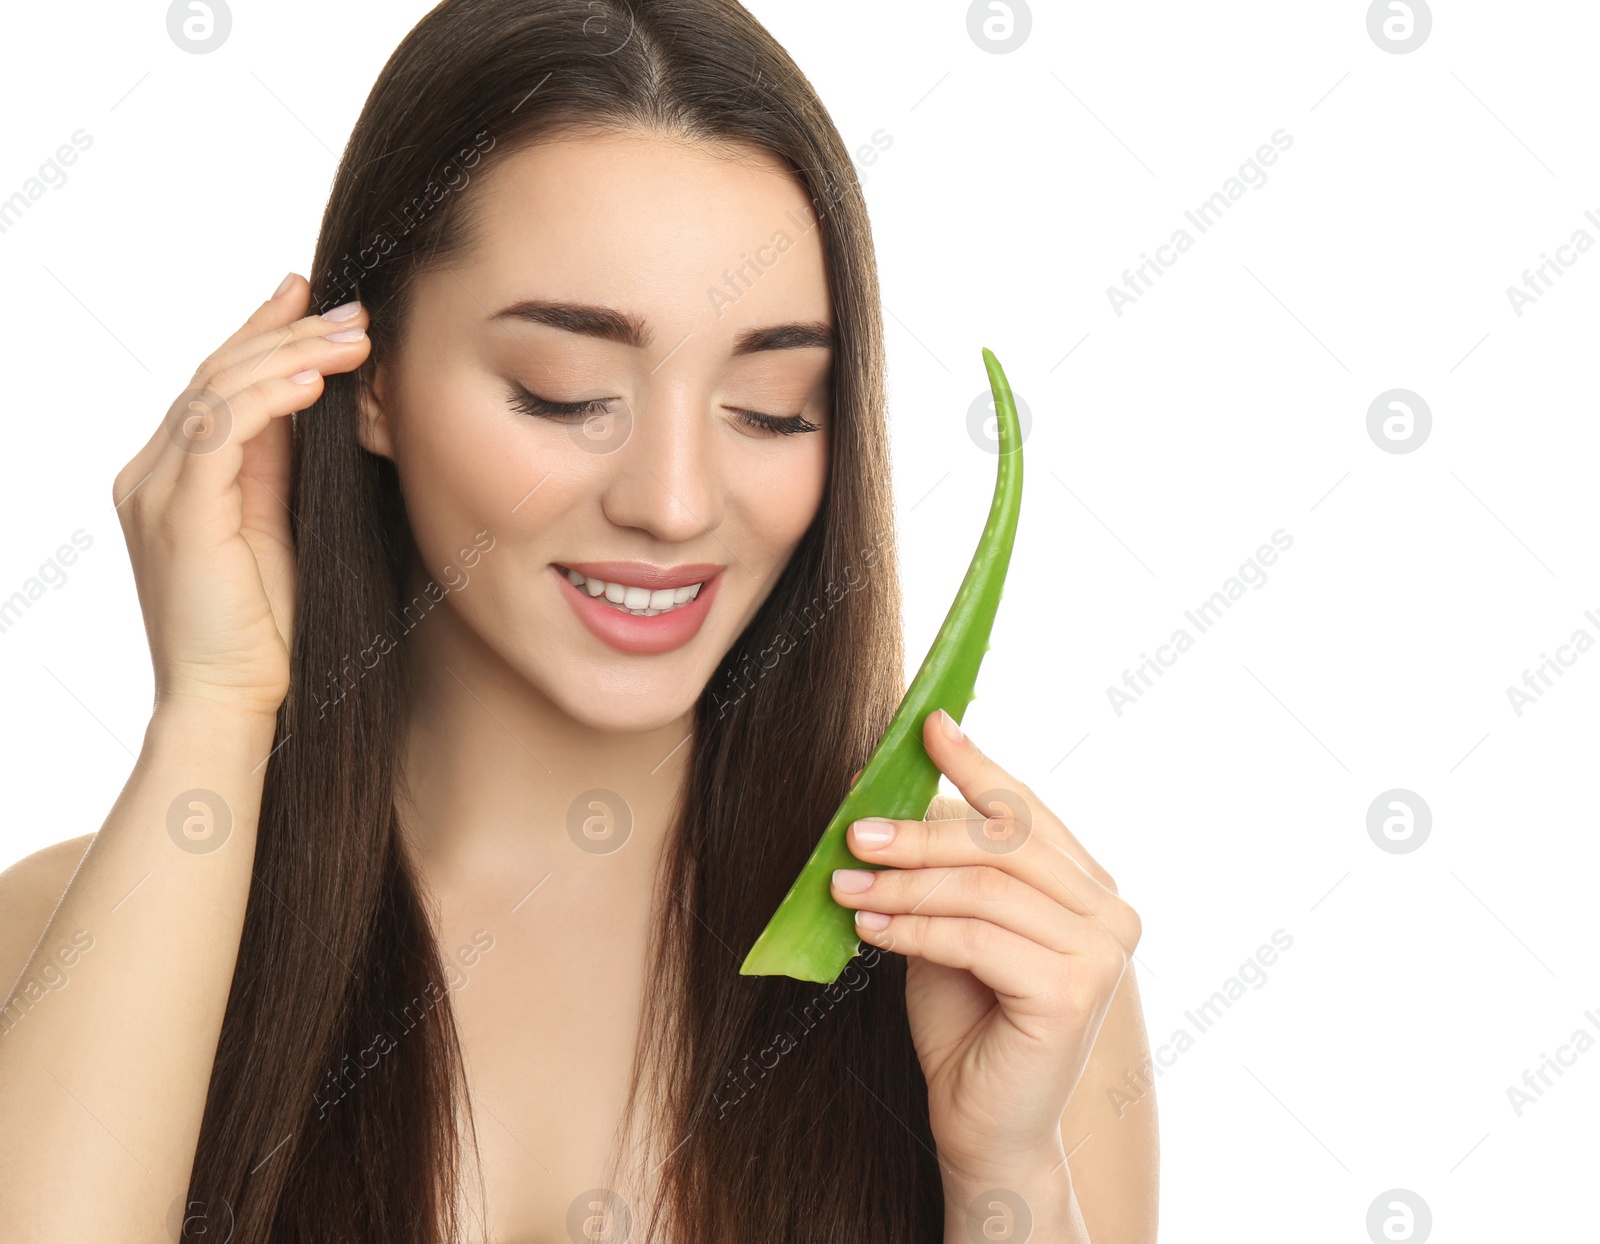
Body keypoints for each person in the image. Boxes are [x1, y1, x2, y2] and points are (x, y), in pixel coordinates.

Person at [0, 1, 1156, 1239]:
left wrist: (1004, 1179)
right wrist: (212, 710)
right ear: (370, 377)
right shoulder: (66, 926)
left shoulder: (995, 968)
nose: (671, 502)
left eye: (770, 406)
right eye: (564, 395)